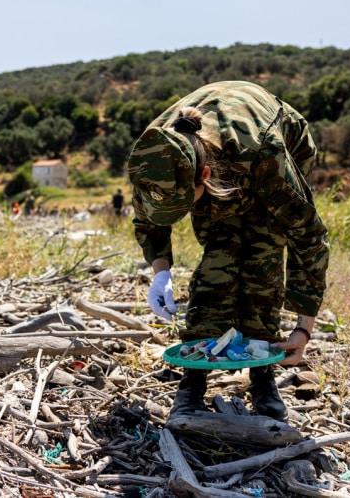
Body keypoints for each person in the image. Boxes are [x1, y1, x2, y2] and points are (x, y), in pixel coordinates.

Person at [127, 81, 329, 422]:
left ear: (204, 176)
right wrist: (161, 273)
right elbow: (149, 222)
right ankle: (194, 377)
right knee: (220, 255)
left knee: (261, 254)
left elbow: (307, 235)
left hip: (274, 143)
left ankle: (263, 373)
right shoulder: (154, 157)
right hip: (218, 163)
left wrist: (304, 327)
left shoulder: (266, 156)